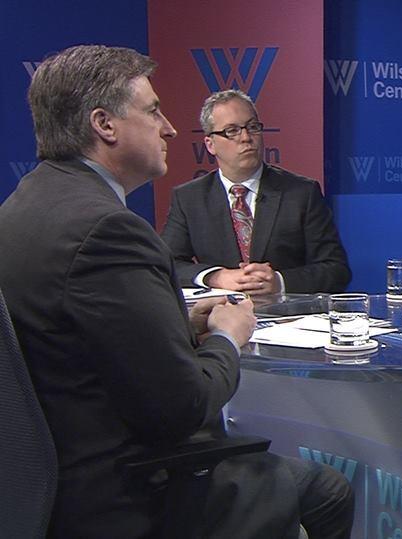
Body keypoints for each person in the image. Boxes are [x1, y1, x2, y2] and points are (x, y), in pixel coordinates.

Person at [0, 45, 353, 538]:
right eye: (152, 111)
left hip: (46, 482)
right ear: (105, 124)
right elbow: (183, 406)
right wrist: (227, 335)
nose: (168, 127)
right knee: (328, 489)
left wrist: (177, 323)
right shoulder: (106, 228)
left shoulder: (23, 206)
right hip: (121, 490)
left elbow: (79, 338)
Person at [161, 89, 350, 295]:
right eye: (232, 131)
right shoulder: (189, 198)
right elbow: (167, 264)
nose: (246, 138)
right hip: (222, 317)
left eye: (252, 127)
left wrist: (279, 282)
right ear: (210, 144)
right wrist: (215, 276)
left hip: (287, 319)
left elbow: (336, 269)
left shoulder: (300, 193)